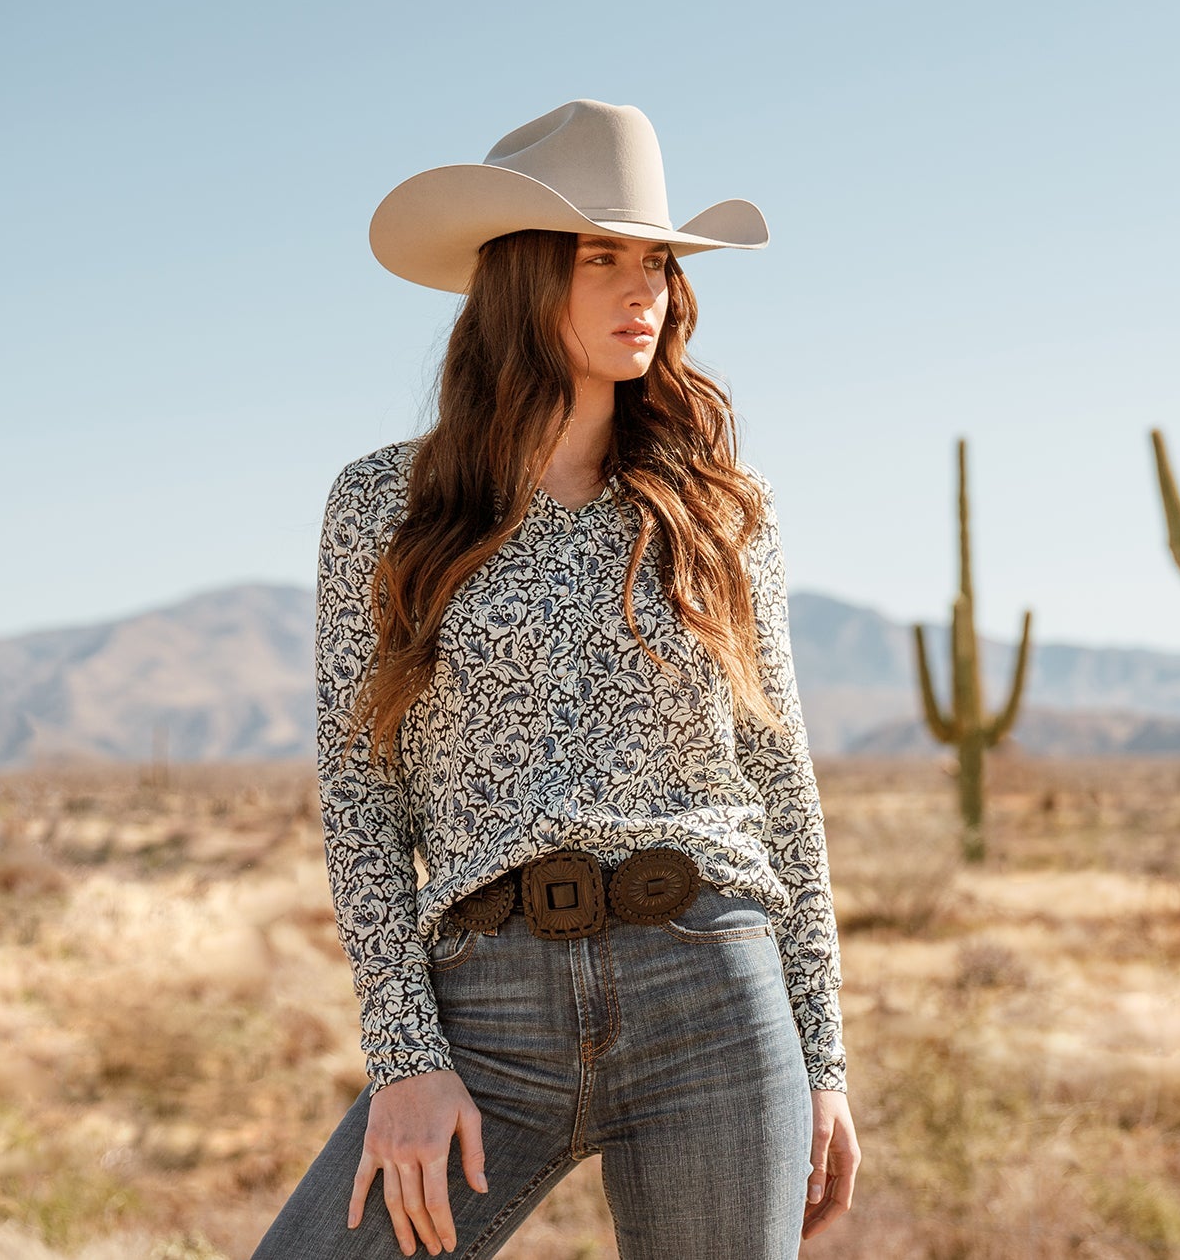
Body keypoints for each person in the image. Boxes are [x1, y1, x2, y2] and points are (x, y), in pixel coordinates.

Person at [251, 99, 860, 1260]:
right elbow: (357, 789)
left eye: (658, 263)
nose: (647, 291)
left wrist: (822, 1057)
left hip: (714, 996)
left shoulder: (722, 511)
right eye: (602, 258)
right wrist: (408, 1059)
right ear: (523, 281)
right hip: (487, 1003)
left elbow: (779, 778)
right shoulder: (385, 504)